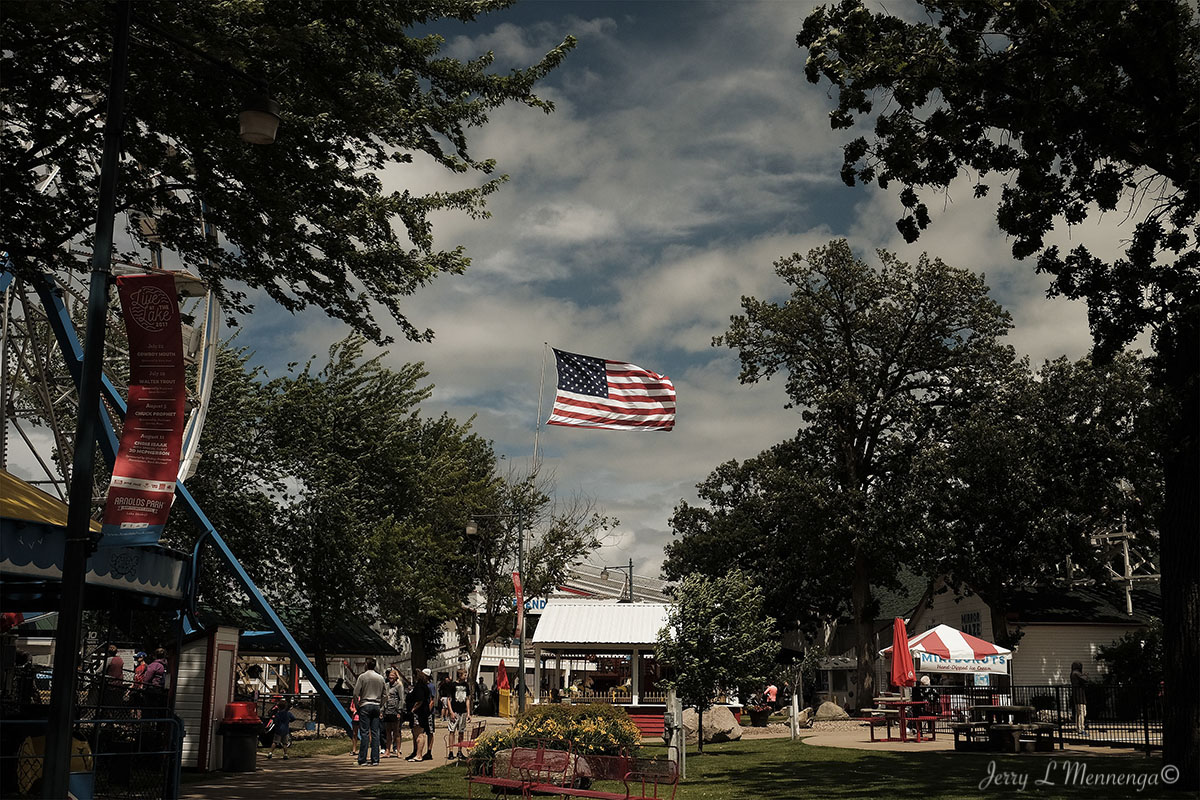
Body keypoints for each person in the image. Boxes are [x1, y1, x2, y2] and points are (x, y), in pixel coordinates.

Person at [353, 657, 386, 766]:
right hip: (376, 704)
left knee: (365, 733)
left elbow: (355, 693)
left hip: (365, 704)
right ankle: (375, 759)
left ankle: (362, 758)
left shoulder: (362, 677)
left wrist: (358, 706)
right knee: (375, 733)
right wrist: (380, 705)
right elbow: (385, 695)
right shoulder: (380, 678)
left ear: (366, 665)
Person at [406, 668, 434, 761]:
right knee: (416, 734)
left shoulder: (420, 687)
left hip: (419, 713)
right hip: (420, 713)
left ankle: (419, 755)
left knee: (420, 735)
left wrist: (413, 709)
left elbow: (420, 700)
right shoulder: (421, 686)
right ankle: (416, 753)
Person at [446, 668, 473, 760]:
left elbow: (467, 699)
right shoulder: (452, 685)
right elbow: (448, 699)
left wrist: (468, 713)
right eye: (464, 675)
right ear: (460, 675)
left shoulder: (466, 685)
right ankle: (450, 751)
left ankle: (459, 751)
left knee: (461, 732)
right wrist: (451, 712)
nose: (466, 677)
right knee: (452, 731)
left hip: (463, 711)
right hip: (455, 710)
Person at [382, 669, 404, 758]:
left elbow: (402, 699)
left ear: (396, 676)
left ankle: (398, 750)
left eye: (392, 675)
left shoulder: (399, 686)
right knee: (387, 732)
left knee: (396, 732)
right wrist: (382, 710)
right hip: (387, 710)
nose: (390, 677)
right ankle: (387, 750)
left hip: (395, 710)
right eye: (389, 676)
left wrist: (399, 710)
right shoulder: (386, 685)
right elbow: (384, 698)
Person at [1070, 661, 1088, 733]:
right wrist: (1086, 675)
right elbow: (1085, 679)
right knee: (1082, 713)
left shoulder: (1073, 673)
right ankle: (1081, 728)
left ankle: (1078, 728)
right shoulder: (1076, 673)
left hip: (1077, 696)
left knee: (1078, 713)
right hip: (1080, 697)